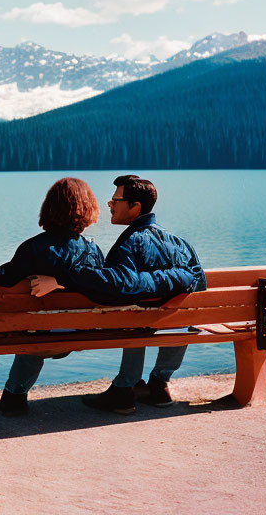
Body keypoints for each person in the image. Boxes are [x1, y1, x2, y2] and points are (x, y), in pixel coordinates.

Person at [46, 175, 206, 415]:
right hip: (172, 322)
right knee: (178, 313)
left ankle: (124, 387)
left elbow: (116, 287)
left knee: (132, 310)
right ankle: (160, 383)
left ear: (135, 207)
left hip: (138, 320)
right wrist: (169, 283)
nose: (110, 205)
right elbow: (199, 285)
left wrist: (65, 278)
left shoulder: (130, 243)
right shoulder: (180, 243)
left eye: (115, 201)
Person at [0, 177, 104, 416]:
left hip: (38, 332)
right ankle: (14, 395)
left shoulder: (32, 248)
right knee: (38, 322)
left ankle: (14, 397)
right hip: (79, 330)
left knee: (31, 324)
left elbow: (2, 281)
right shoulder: (93, 251)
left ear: (49, 208)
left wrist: (5, 268)